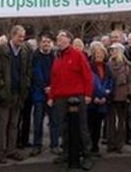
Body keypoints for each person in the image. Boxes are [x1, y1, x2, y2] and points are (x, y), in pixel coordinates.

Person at [48, 30, 94, 171]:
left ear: (68, 39)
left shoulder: (77, 55)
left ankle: (87, 155)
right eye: (57, 38)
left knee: (81, 127)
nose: (58, 40)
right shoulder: (57, 57)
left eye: (61, 38)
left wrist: (88, 94)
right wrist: (51, 96)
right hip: (61, 97)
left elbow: (87, 75)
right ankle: (66, 152)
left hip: (77, 97)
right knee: (64, 126)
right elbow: (54, 79)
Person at [0, 25, 32, 164]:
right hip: (4, 93)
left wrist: (26, 84)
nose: (22, 39)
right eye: (20, 36)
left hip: (18, 93)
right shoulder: (0, 50)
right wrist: (1, 88)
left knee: (14, 124)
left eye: (23, 36)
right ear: (12, 35)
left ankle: (11, 150)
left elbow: (27, 71)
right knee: (2, 125)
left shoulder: (25, 51)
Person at [29, 31, 61, 157]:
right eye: (44, 42)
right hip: (39, 93)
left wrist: (52, 88)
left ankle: (54, 145)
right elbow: (36, 74)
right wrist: (45, 87)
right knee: (38, 120)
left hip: (53, 93)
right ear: (40, 43)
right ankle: (37, 145)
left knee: (54, 120)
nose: (46, 44)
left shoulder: (55, 56)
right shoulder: (35, 56)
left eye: (48, 42)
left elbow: (57, 74)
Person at [106, 43, 131, 153]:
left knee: (121, 121)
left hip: (123, 95)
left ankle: (119, 144)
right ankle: (111, 143)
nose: (114, 52)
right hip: (111, 94)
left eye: (116, 50)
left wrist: (129, 94)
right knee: (110, 121)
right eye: (112, 50)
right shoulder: (107, 64)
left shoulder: (128, 65)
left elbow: (130, 81)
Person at [87, 42, 113, 155]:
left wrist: (105, 95)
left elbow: (110, 82)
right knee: (89, 125)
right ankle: (87, 147)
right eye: (97, 53)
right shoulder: (89, 66)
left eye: (101, 53)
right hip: (91, 100)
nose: (99, 55)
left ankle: (95, 147)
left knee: (98, 126)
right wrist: (94, 97)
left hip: (103, 100)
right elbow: (88, 82)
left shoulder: (107, 67)